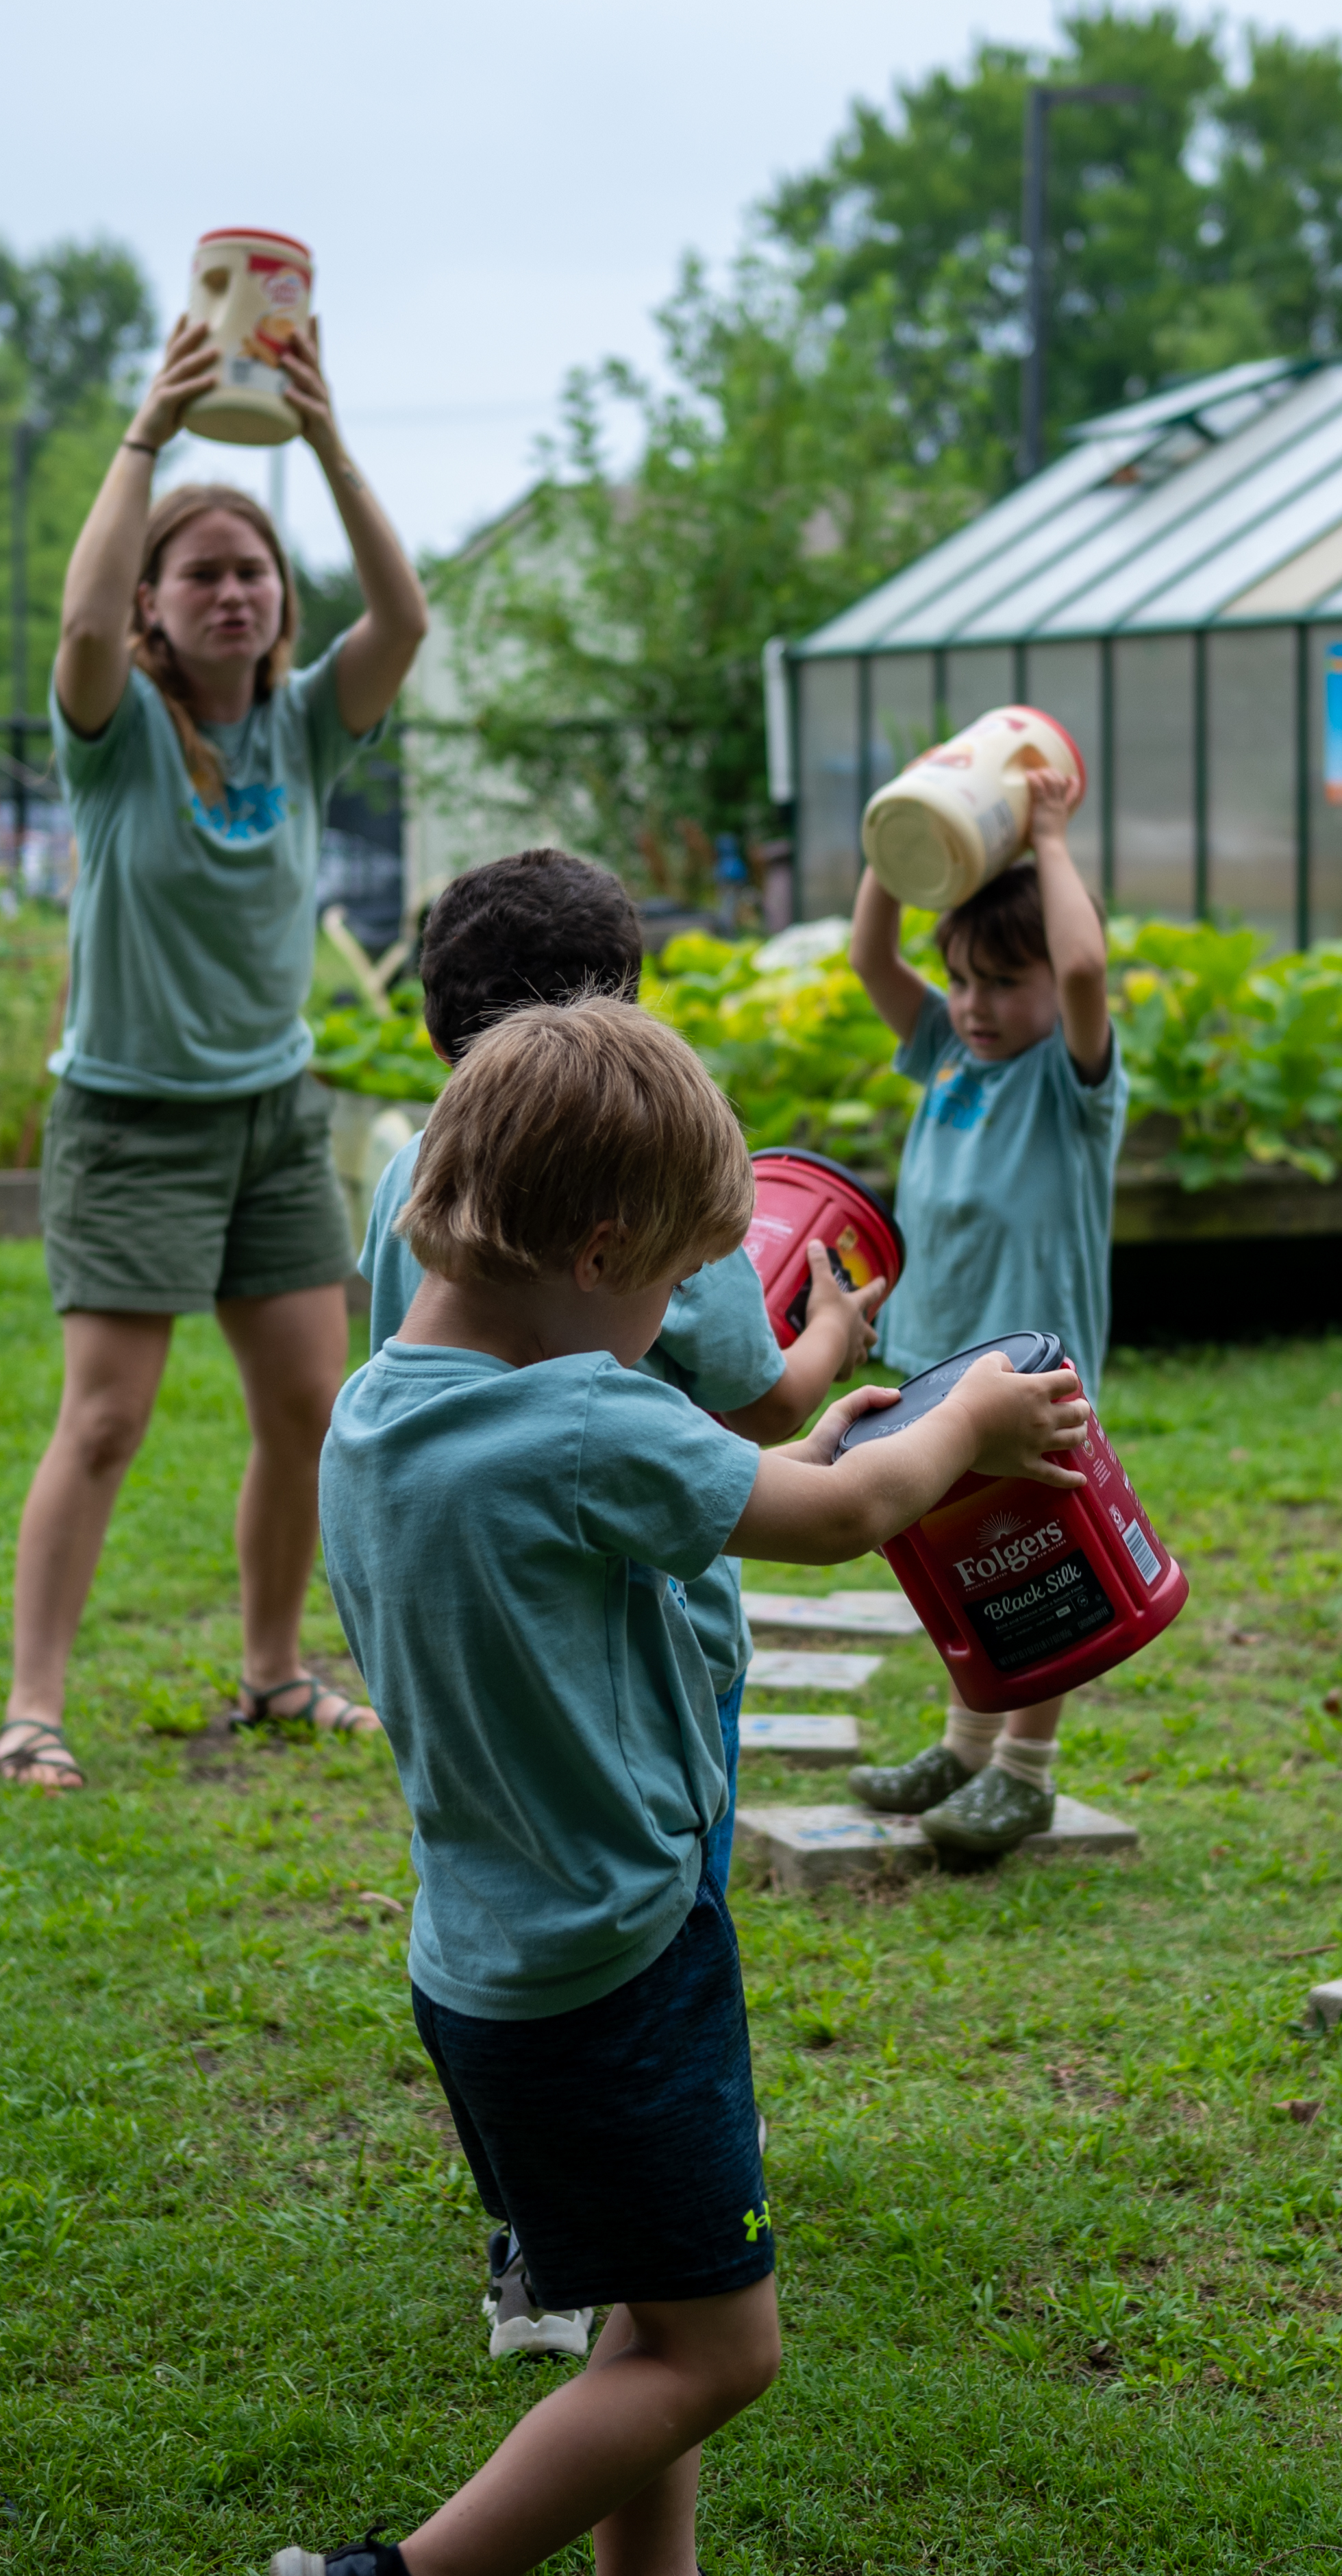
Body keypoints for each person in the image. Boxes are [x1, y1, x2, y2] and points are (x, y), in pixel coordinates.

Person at [293, 997, 1088, 2576]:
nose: (669, 1326)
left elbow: (715, 1489)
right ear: (594, 1253)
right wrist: (973, 1424)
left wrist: (832, 1439)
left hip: (484, 1966)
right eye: (668, 1286)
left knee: (649, 2327)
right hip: (618, 1966)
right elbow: (850, 1516)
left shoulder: (378, 1412)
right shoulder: (587, 1414)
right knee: (723, 2353)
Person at [353, 848, 886, 2361]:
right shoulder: (628, 1208)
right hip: (638, 1694)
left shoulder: (414, 1197)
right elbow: (756, 1412)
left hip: (477, 1774)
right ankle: (663, 2218)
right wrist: (847, 1352)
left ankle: (537, 2247)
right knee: (669, 1929)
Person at [0, 306, 430, 1790]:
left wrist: (321, 436)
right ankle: (34, 1706)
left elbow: (408, 617)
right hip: (129, 1122)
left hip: (269, 1117)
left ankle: (273, 1673)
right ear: (155, 611)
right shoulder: (111, 736)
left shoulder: (306, 731)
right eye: (201, 575)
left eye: (252, 571)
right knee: (108, 1419)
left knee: (309, 1409)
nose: (234, 592)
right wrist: (147, 436)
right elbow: (72, 623)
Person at [837, 765, 1123, 1856]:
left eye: (1006, 982)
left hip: (1030, 1376)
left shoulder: (1073, 1083)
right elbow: (871, 955)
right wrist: (905, 841)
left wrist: (1047, 834)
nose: (974, 1005)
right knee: (962, 1560)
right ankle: (964, 1750)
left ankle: (1026, 1772)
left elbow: (1088, 961)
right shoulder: (951, 1057)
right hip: (936, 1364)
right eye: (962, 979)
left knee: (1042, 1565)